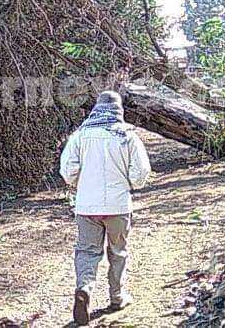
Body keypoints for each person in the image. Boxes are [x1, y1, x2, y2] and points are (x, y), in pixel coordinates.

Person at [59, 90, 151, 325]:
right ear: (119, 111)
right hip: (118, 206)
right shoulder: (128, 136)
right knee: (118, 251)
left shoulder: (80, 136)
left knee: (87, 252)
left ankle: (84, 288)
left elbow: (67, 171)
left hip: (86, 206)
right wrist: (129, 184)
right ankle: (117, 297)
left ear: (96, 109)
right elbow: (140, 173)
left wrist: (81, 183)